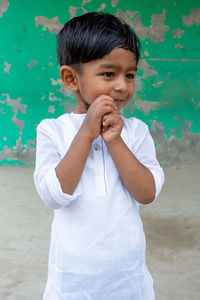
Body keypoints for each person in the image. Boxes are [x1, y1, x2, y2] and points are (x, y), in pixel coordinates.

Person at [34, 12, 165, 300]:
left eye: (129, 75)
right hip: (72, 282)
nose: (122, 86)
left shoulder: (136, 132)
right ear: (71, 78)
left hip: (129, 280)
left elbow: (147, 193)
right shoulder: (52, 131)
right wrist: (86, 133)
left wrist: (116, 141)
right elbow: (54, 194)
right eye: (109, 74)